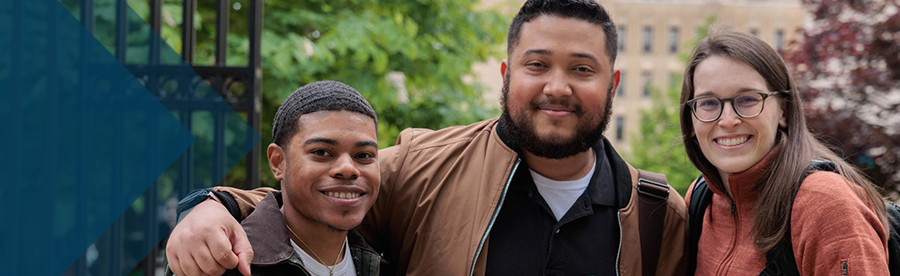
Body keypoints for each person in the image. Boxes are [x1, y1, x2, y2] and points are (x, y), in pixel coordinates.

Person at [166, 1, 688, 275]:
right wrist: (217, 206)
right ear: (507, 73)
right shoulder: (426, 165)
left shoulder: (657, 213)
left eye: (582, 68)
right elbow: (321, 190)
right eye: (537, 64)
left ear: (613, 82)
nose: (557, 86)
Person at [680, 29, 889, 275]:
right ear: (691, 119)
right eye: (708, 103)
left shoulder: (826, 204)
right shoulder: (700, 198)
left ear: (783, 111)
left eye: (747, 99)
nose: (727, 120)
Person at [167, 81, 384, 276]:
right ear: (278, 162)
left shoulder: (380, 263)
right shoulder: (219, 262)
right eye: (322, 152)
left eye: (363, 155)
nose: (348, 169)